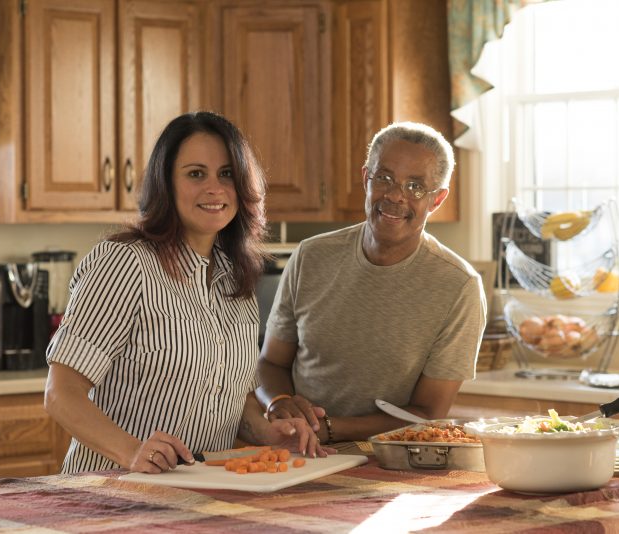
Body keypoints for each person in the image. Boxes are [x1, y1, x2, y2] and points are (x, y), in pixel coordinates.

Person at [44, 111, 327, 474]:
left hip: (201, 496)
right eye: (196, 174)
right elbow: (61, 394)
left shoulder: (235, 280)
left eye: (227, 174)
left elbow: (233, 401)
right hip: (111, 495)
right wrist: (132, 452)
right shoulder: (124, 264)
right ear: (166, 183)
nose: (215, 188)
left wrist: (271, 435)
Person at [256, 121, 487, 443]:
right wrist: (280, 404)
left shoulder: (458, 286)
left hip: (392, 462)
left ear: (437, 200)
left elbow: (427, 412)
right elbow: (271, 362)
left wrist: (329, 429)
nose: (395, 195)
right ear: (366, 178)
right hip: (299, 450)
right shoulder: (311, 257)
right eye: (385, 178)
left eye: (415, 186)